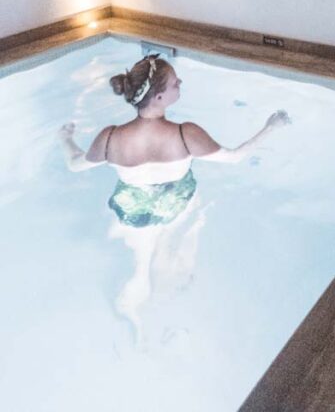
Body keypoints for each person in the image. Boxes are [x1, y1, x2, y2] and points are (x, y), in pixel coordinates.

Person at [58, 52, 290, 342]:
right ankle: (169, 306)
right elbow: (234, 158)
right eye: (174, 83)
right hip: (176, 202)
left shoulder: (110, 137)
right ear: (158, 97)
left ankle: (136, 301)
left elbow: (75, 164)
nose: (180, 82)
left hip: (131, 208)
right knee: (180, 238)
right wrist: (271, 126)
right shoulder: (185, 133)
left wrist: (65, 138)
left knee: (141, 259)